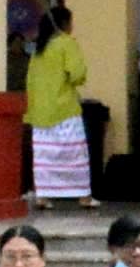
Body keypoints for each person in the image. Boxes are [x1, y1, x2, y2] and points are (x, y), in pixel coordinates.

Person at [23, 17, 94, 208]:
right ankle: (83, 197)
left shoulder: (38, 49)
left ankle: (43, 196)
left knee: (44, 157)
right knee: (75, 155)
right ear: (65, 24)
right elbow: (77, 74)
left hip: (40, 111)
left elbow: (30, 80)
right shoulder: (66, 43)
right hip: (65, 109)